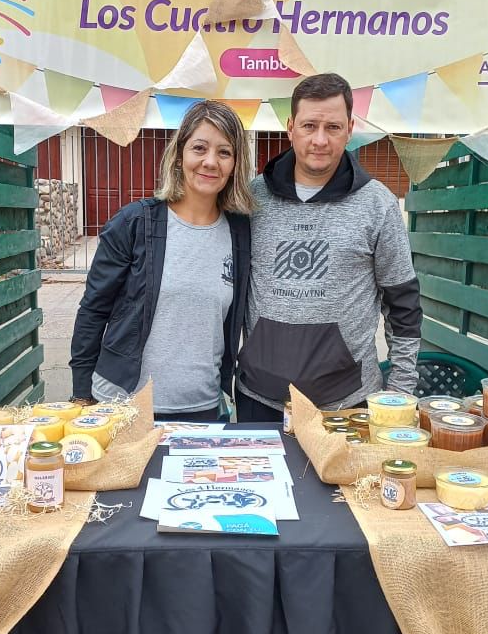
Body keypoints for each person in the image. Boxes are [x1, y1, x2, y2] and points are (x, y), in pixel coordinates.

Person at [236, 72, 422, 422]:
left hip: (346, 404)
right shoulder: (251, 199)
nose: (320, 140)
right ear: (290, 128)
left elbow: (403, 305)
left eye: (333, 127)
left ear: (349, 129)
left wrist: (400, 393)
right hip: (259, 399)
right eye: (309, 126)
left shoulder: (377, 204)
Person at [70, 101, 253, 421]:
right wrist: (81, 393)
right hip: (123, 406)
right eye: (199, 148)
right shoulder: (134, 224)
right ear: (180, 154)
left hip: (203, 408)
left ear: (235, 164)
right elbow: (93, 310)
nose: (211, 161)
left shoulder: (239, 232)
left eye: (224, 152)